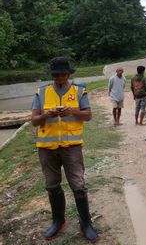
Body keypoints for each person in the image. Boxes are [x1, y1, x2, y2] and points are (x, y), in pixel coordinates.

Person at [31, 57, 98, 242]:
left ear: (68, 74)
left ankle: (86, 224)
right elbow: (34, 120)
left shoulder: (79, 91)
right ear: (52, 75)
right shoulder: (41, 92)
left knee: (78, 185)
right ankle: (58, 221)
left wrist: (73, 112)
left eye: (63, 74)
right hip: (47, 147)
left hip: (72, 147)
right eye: (56, 75)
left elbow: (88, 115)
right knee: (52, 185)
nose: (60, 78)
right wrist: (46, 114)